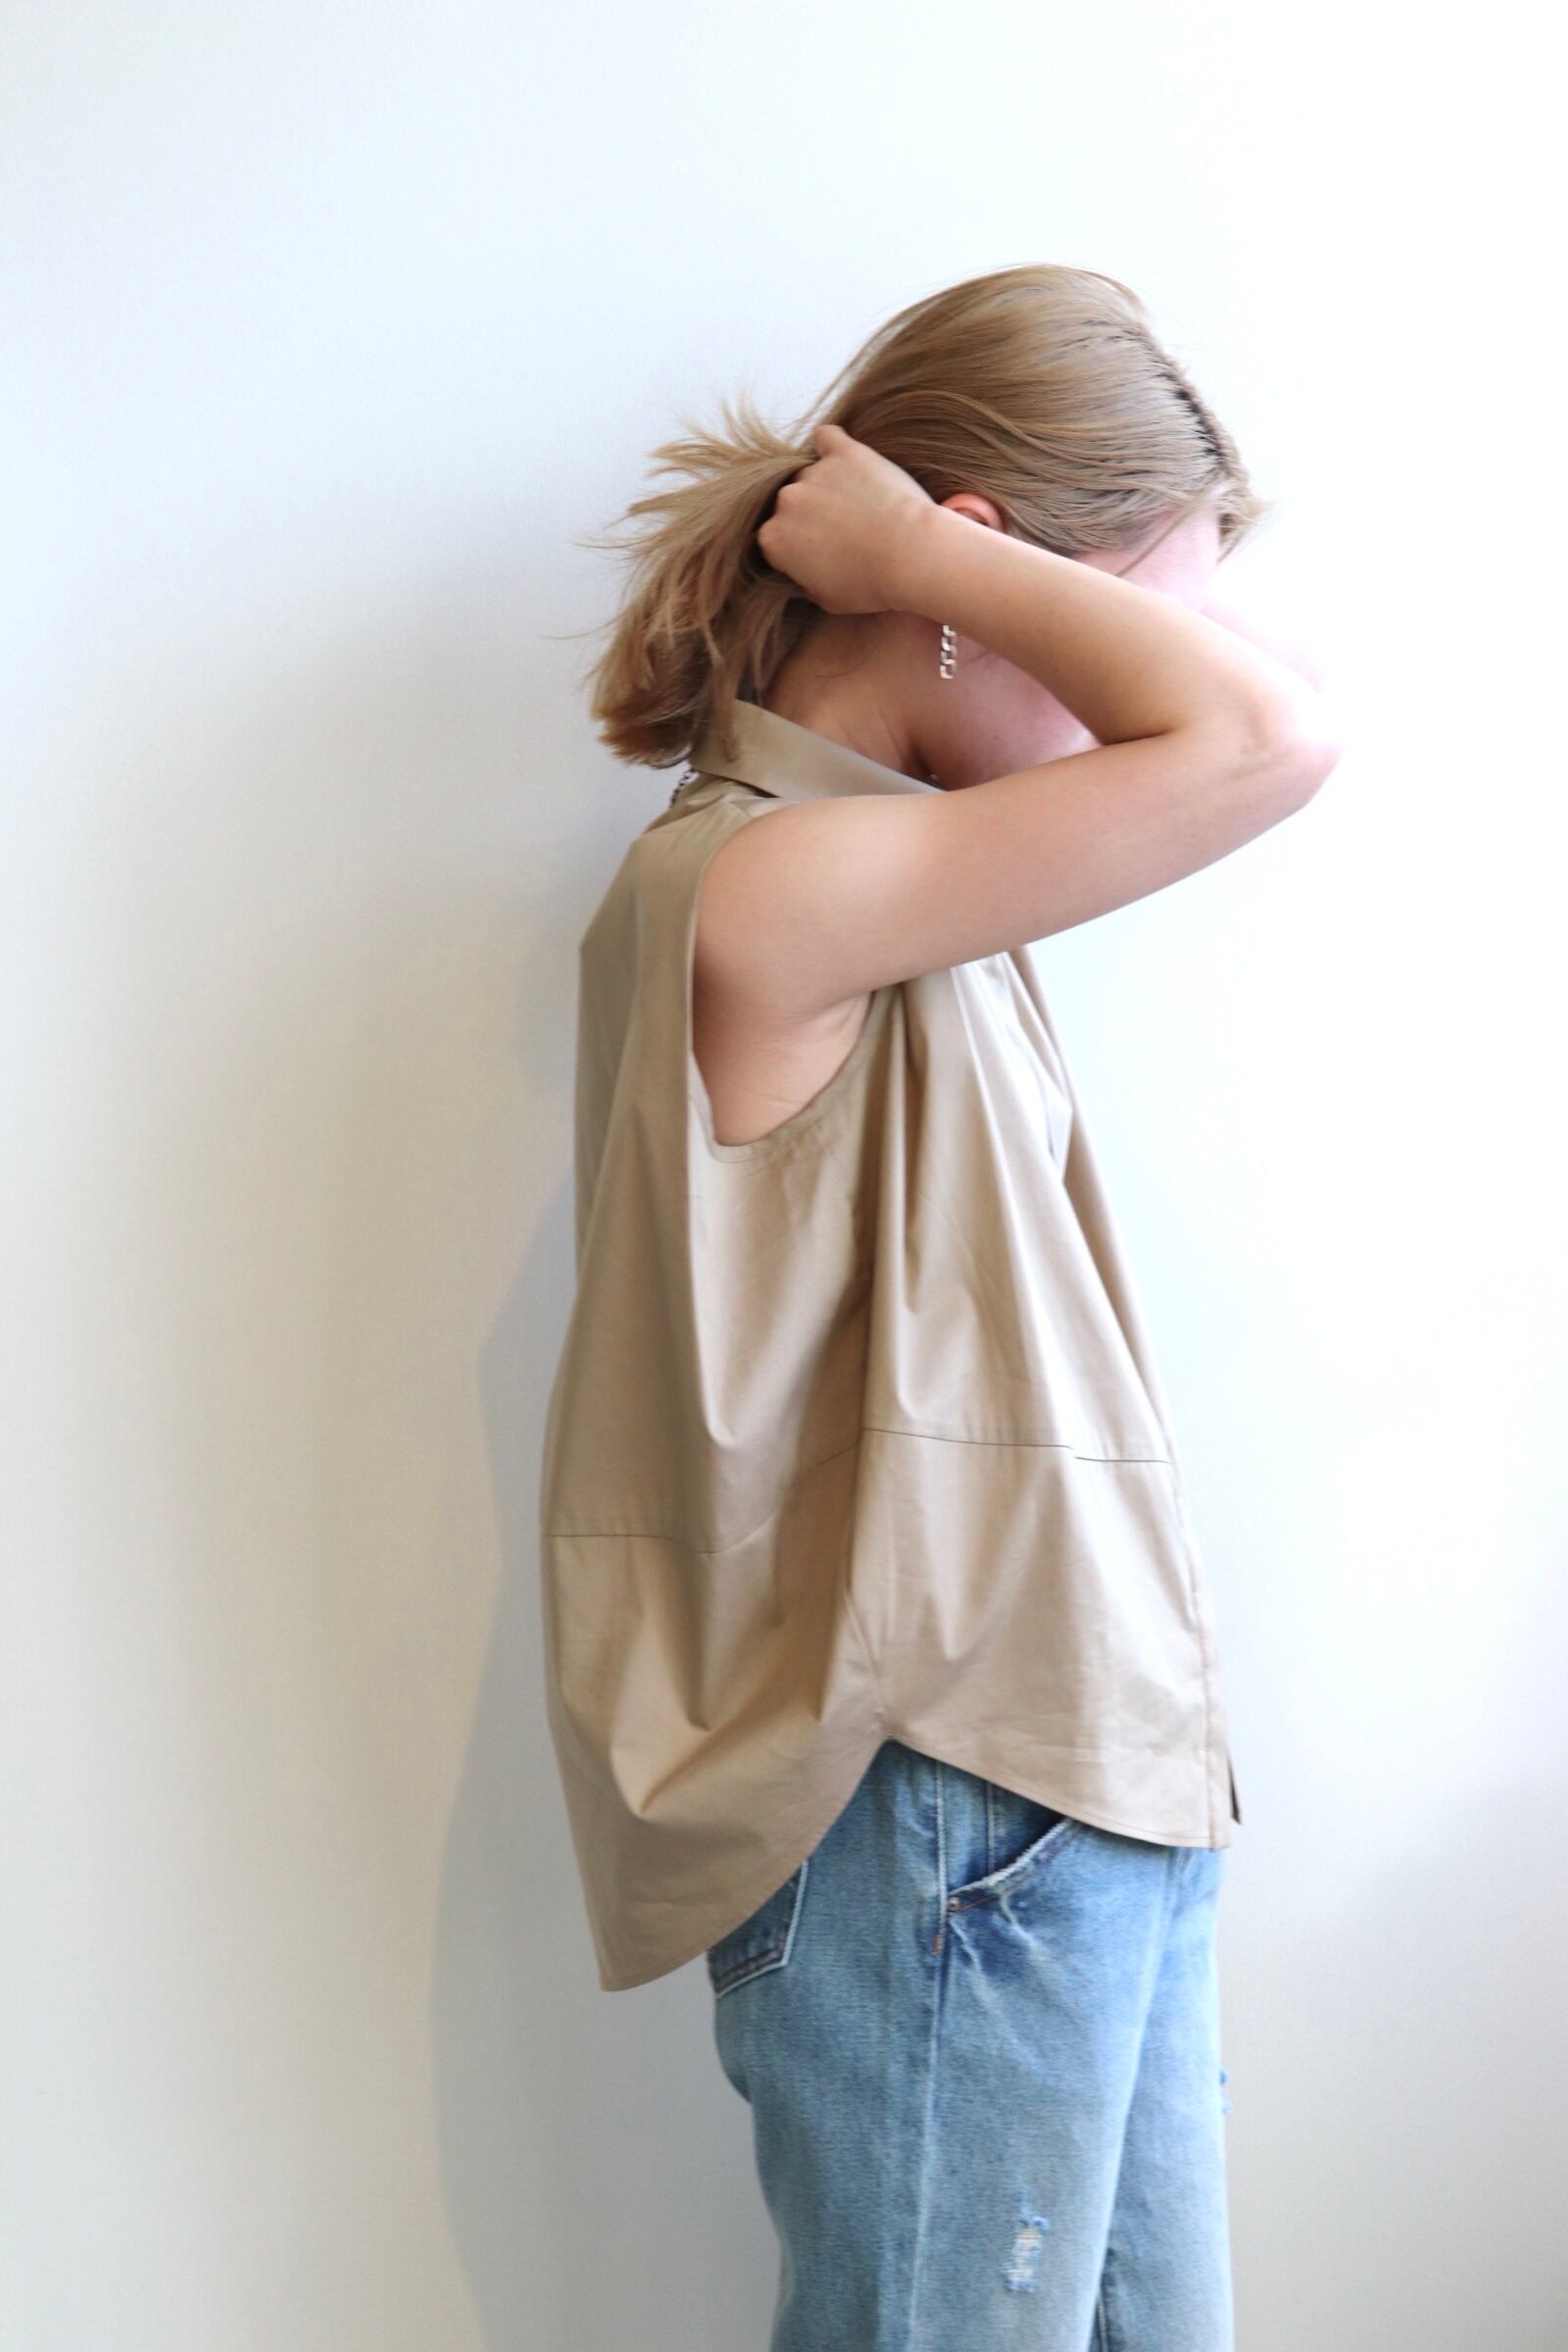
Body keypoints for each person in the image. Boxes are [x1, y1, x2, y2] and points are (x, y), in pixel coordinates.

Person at [541, 264, 1343, 2350]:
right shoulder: (760, 883)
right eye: (1116, 622)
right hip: (941, 1803)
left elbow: (1252, 700)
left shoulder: (918, 886)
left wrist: (977, 574)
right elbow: (1267, 739)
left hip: (1075, 1785)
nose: (1125, 698)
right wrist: (926, 557)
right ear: (962, 571)